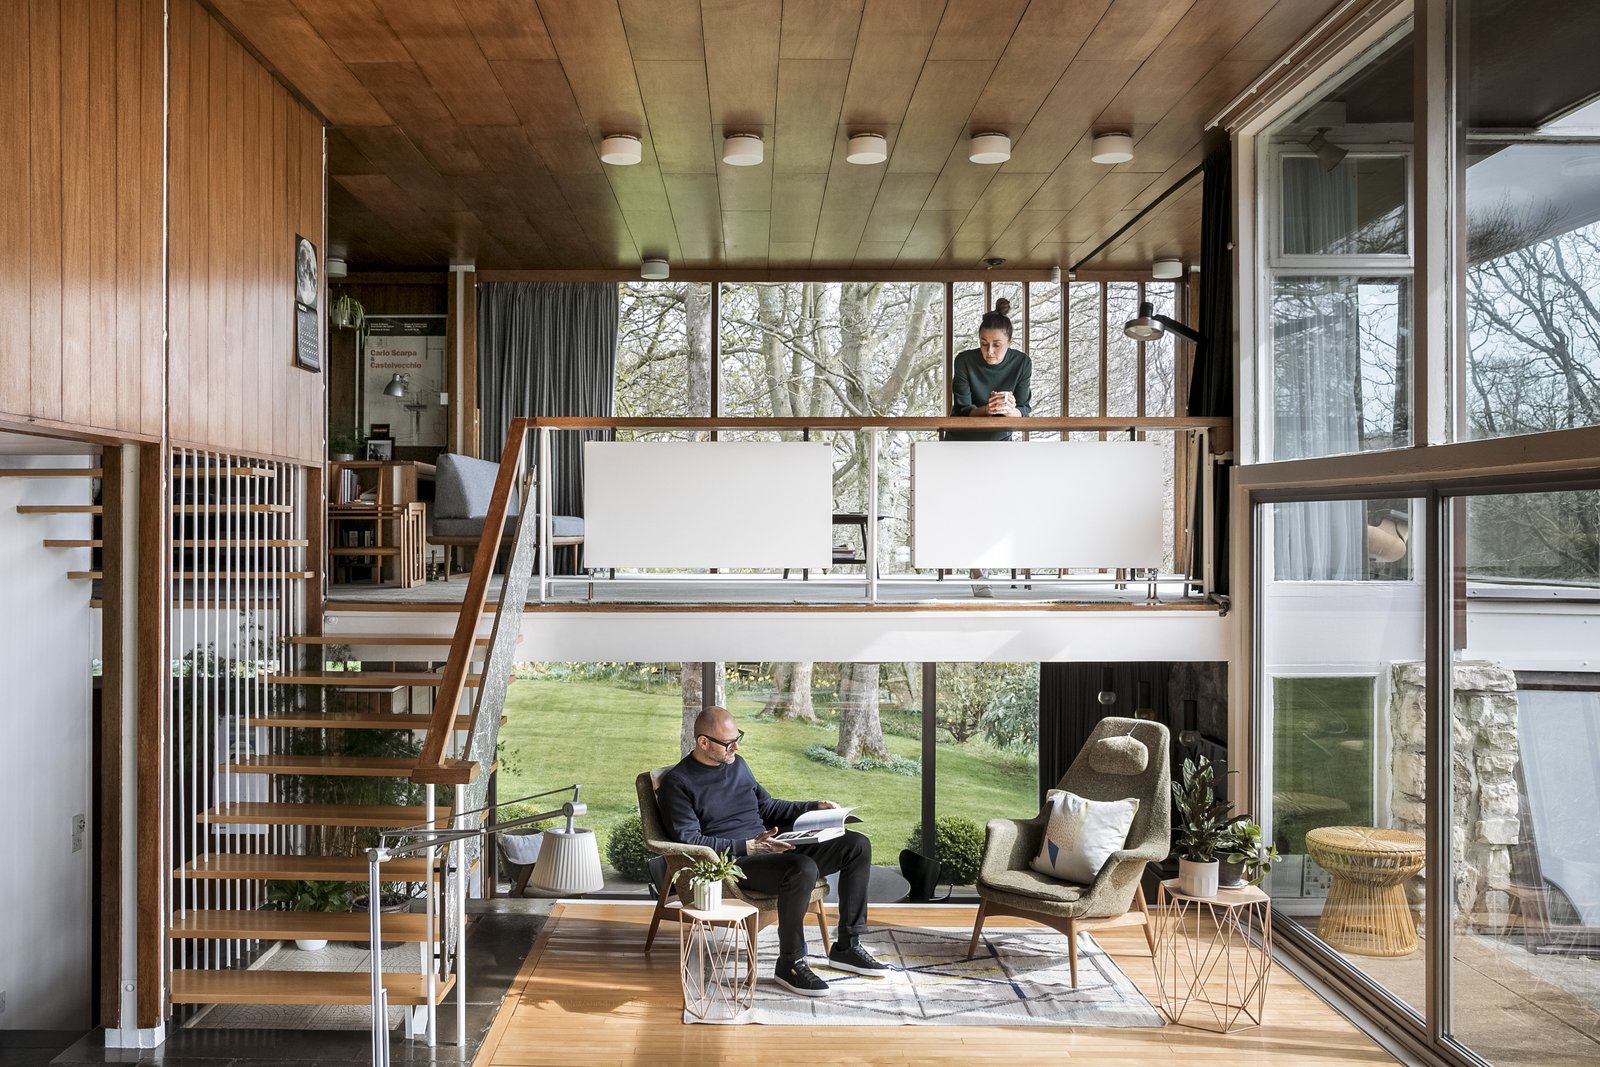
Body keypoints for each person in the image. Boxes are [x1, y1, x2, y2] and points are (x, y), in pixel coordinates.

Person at [656, 706, 891, 997]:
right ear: (703, 742)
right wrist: (748, 847)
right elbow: (691, 841)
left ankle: (847, 946)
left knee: (856, 845)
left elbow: (767, 807)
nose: (736, 746)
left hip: (770, 847)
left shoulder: (737, 765)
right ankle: (790, 963)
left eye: (737, 737)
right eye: (728, 743)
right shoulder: (678, 784)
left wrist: (812, 807)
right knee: (802, 867)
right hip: (735, 865)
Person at [947, 299, 1032, 594]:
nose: (989, 351)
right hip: (962, 445)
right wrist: (988, 410)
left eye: (996, 344)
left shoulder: (1021, 363)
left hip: (999, 444)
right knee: (970, 506)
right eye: (984, 344)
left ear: (1009, 341)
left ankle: (989, 561)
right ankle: (977, 569)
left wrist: (1011, 411)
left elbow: (1025, 408)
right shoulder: (964, 360)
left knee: (998, 506)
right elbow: (961, 410)